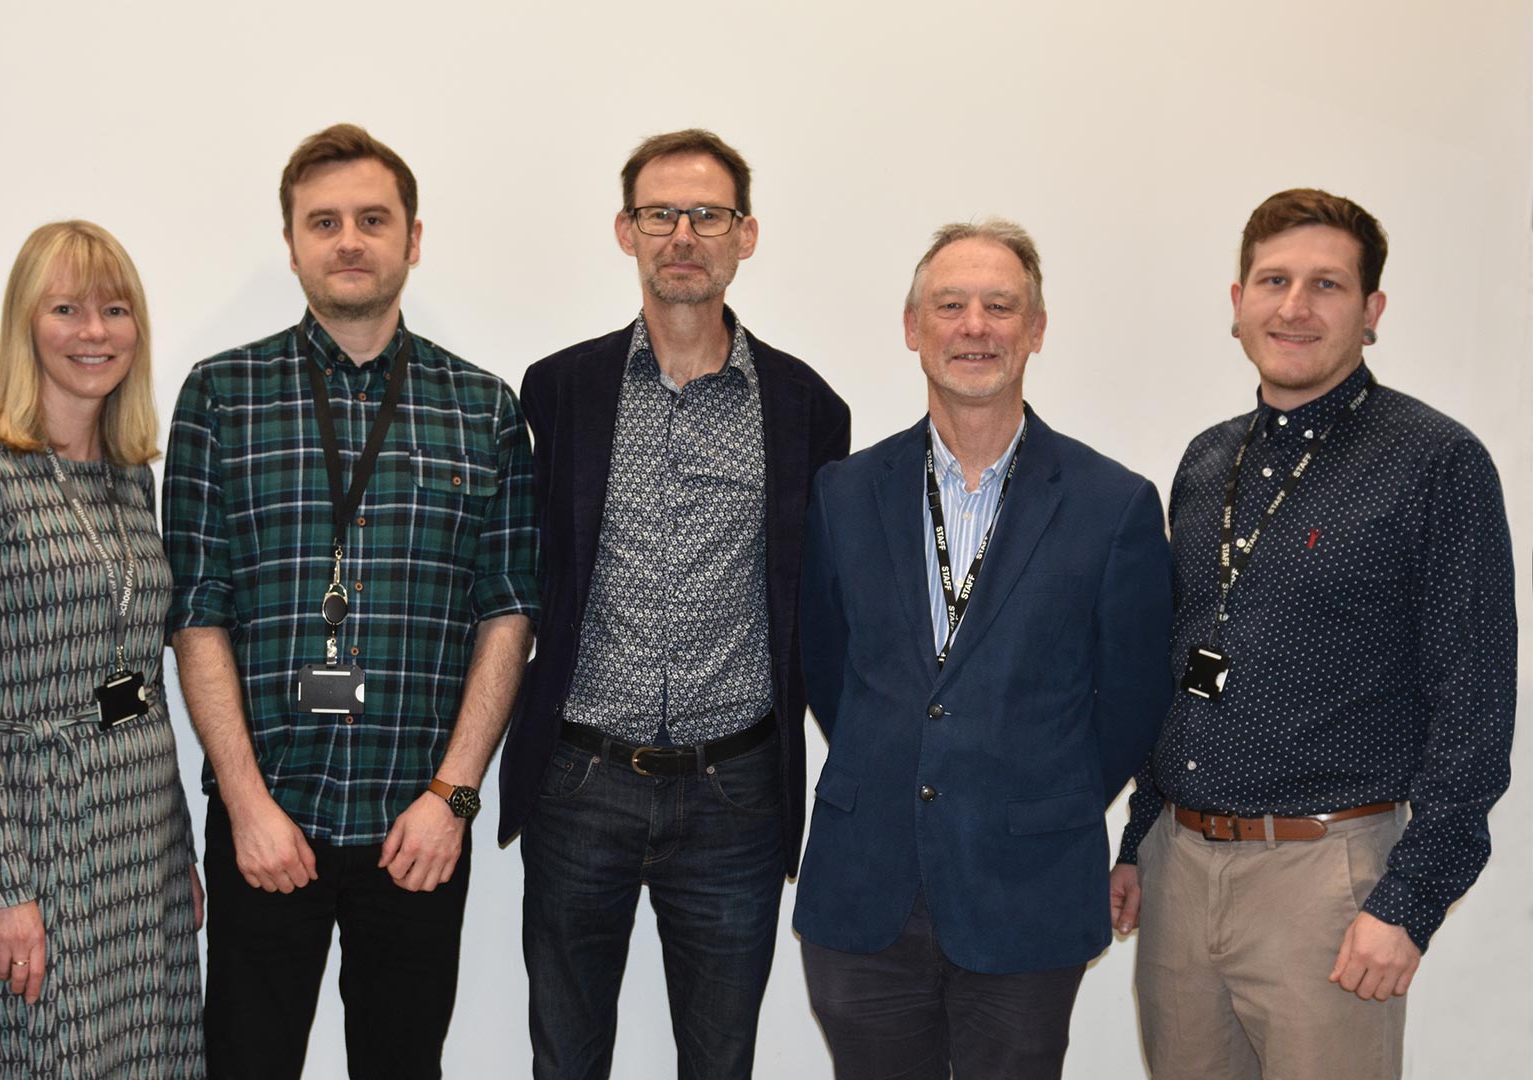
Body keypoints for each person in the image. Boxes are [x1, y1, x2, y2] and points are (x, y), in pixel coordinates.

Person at [1108, 188, 1517, 1080]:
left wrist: (1409, 900)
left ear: (1371, 312)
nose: (1294, 307)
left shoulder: (1435, 462)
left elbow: (1475, 704)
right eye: (1274, 280)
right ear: (1237, 302)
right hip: (1181, 870)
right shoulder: (1208, 459)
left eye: (1326, 285)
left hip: (1329, 883)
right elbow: (1186, 661)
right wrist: (1141, 833)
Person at [163, 123, 538, 1080]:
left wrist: (452, 799)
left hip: (415, 827)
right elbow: (197, 611)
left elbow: (508, 612)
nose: (349, 241)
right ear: (291, 244)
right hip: (267, 824)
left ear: (413, 239)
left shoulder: (482, 408)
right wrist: (246, 805)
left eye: (373, 219)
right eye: (322, 222)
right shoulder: (221, 396)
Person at [498, 128, 851, 1080]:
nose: (684, 234)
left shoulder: (807, 408)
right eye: (662, 214)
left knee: (720, 1062)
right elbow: (526, 579)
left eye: (709, 215)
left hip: (735, 794)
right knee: (564, 1059)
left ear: (746, 235)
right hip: (581, 781)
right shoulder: (560, 389)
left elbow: (819, 604)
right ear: (626, 231)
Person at [793, 220, 1173, 1080]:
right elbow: (826, 668)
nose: (975, 327)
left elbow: (1135, 699)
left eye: (1000, 307)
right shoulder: (843, 493)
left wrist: (1048, 792)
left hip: (1028, 888)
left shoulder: (1112, 505)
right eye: (951, 305)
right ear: (912, 327)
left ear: (1035, 330)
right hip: (865, 890)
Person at [0, 220, 204, 1077]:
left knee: (157, 1058)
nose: (94, 332)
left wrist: (182, 852)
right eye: (67, 309)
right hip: (37, 827)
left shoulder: (130, 473)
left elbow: (142, 678)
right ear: (25, 324)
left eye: (115, 310)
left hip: (141, 825)